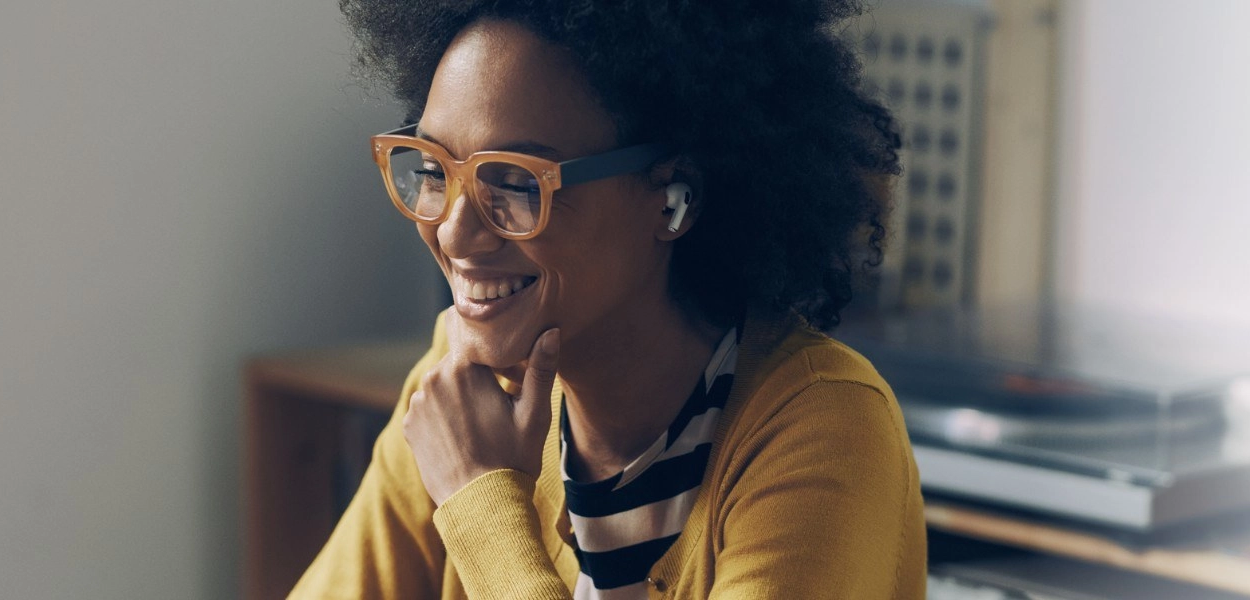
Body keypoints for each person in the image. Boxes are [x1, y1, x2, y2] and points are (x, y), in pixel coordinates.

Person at [291, 0, 924, 597]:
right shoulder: (461, 392)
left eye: (515, 182)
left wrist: (482, 503)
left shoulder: (822, 427)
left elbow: (479, 511)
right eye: (433, 170)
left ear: (674, 198)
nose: (455, 230)